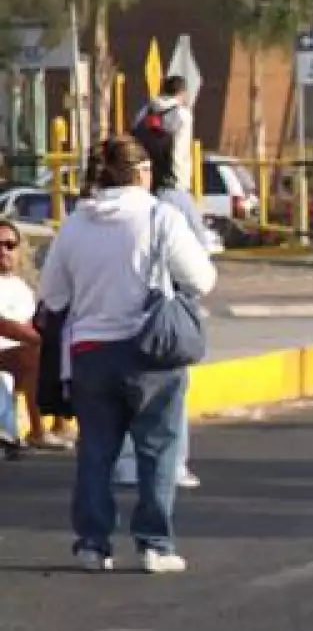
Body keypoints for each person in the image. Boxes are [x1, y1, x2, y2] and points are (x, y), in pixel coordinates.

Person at [36, 135, 218, 573]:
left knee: (96, 453)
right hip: (151, 354)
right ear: (141, 174)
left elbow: (52, 296)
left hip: (90, 356)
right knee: (158, 450)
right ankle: (155, 544)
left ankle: (93, 545)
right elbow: (202, 279)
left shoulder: (74, 225)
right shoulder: (161, 218)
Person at [126, 114, 210, 488]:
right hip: (169, 310)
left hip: (120, 308)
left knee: (124, 394)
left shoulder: (105, 206)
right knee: (171, 392)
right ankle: (171, 466)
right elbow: (200, 261)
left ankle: (126, 463)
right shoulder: (175, 202)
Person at [0, 218, 47, 454]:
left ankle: (53, 426)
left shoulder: (24, 289)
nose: (3, 251)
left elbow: (31, 324)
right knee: (34, 353)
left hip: (18, 356)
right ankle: (38, 431)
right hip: (9, 352)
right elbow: (3, 326)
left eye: (10, 245)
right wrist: (36, 339)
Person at [135, 76, 195, 194]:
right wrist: (181, 183)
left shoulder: (145, 112)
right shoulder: (182, 115)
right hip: (170, 181)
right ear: (182, 93)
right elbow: (180, 151)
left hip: (146, 178)